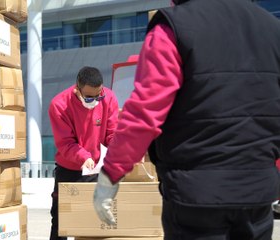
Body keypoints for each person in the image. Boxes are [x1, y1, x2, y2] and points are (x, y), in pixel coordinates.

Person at [93, 0, 280, 239]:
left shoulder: (174, 27)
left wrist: (111, 173)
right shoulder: (272, 28)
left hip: (196, 193)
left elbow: (145, 109)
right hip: (257, 191)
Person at [48, 66, 119, 240]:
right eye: (89, 97)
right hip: (69, 169)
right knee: (60, 221)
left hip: (95, 170)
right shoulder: (59, 105)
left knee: (92, 221)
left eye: (98, 95)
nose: (95, 100)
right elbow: (65, 143)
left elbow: (112, 133)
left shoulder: (109, 98)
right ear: (77, 89)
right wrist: (83, 157)